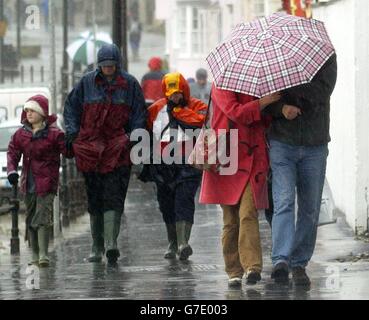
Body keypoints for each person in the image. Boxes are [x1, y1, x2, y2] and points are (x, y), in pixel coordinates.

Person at [63, 44, 146, 265]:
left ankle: (111, 243)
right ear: (99, 66)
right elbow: (71, 108)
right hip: (91, 151)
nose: (108, 69)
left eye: (111, 65)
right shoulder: (86, 83)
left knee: (114, 197)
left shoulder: (130, 85)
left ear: (117, 64)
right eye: (104, 65)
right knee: (94, 198)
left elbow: (139, 115)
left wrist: (132, 139)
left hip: (118, 151)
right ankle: (96, 245)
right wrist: (73, 133)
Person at [264, 54, 337, 286]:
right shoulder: (272, 60)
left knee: (310, 208)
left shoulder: (325, 57)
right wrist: (281, 107)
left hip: (315, 143)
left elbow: (323, 92)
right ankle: (281, 260)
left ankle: (299, 263)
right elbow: (264, 101)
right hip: (282, 143)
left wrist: (293, 91)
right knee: (284, 201)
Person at [199, 85, 281, 287]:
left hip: (253, 156)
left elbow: (266, 119)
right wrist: (262, 102)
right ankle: (233, 270)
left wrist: (272, 106)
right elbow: (235, 112)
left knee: (247, 212)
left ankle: (252, 267)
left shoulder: (258, 84)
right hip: (225, 158)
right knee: (230, 220)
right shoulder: (221, 85)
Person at [145, 72, 208, 260]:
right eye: (171, 93)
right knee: (166, 204)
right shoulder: (156, 109)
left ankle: (183, 243)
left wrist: (182, 113)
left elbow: (203, 122)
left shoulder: (198, 106)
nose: (175, 97)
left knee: (184, 200)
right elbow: (146, 131)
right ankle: (172, 242)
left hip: (189, 163)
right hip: (163, 164)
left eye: (179, 92)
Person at [7, 95, 69, 267]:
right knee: (31, 217)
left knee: (41, 216)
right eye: (27, 110)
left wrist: (71, 137)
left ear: (42, 113)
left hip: (47, 183)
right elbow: (12, 153)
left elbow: (68, 151)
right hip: (28, 183)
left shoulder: (54, 134)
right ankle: (34, 254)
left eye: (33, 110)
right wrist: (12, 170)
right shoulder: (21, 134)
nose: (29, 113)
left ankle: (43, 254)